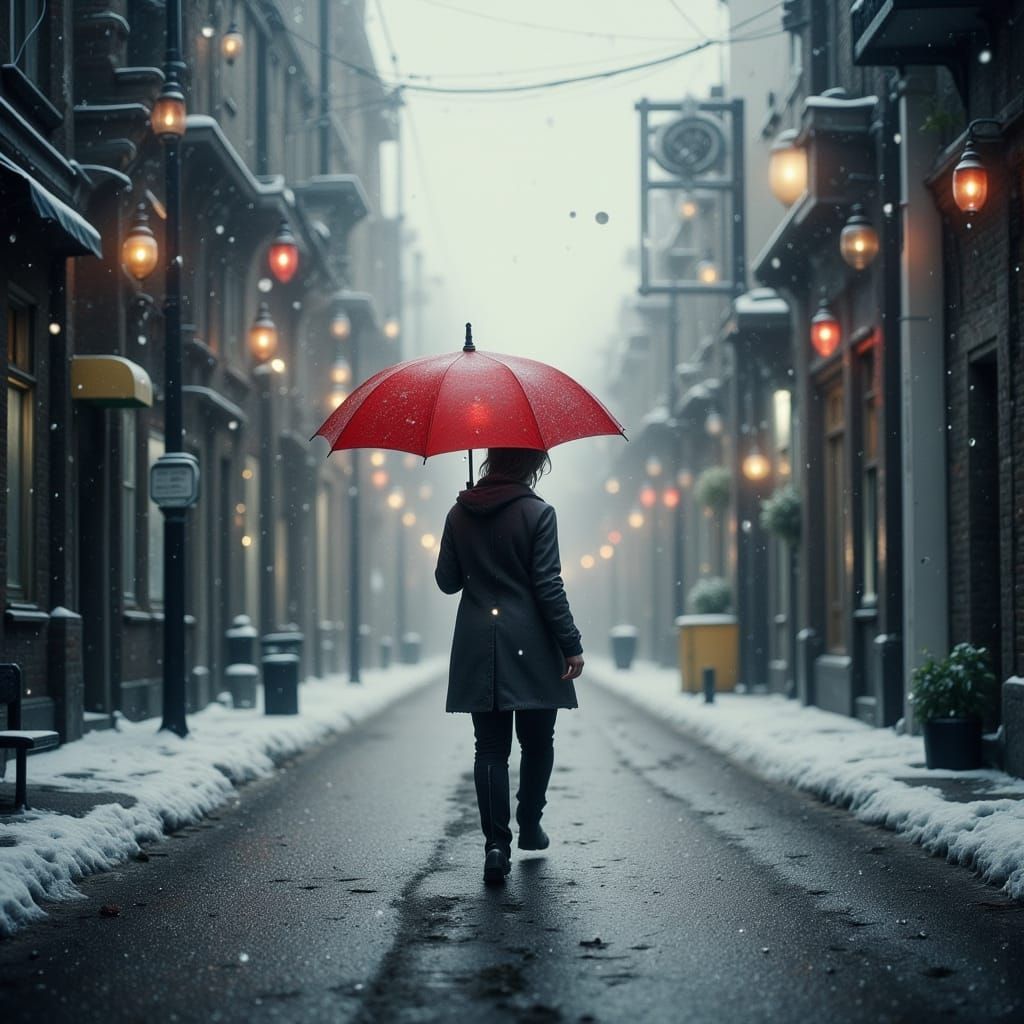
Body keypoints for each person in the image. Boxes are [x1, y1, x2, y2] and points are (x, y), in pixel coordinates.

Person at [435, 447, 585, 885]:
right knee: (537, 742)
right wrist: (570, 643)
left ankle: (496, 845)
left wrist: (466, 532)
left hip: (479, 644)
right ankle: (530, 823)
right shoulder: (539, 513)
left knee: (489, 748)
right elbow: (547, 584)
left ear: (491, 460)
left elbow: (447, 582)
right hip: (532, 643)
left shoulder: (458, 513)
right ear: (532, 464)